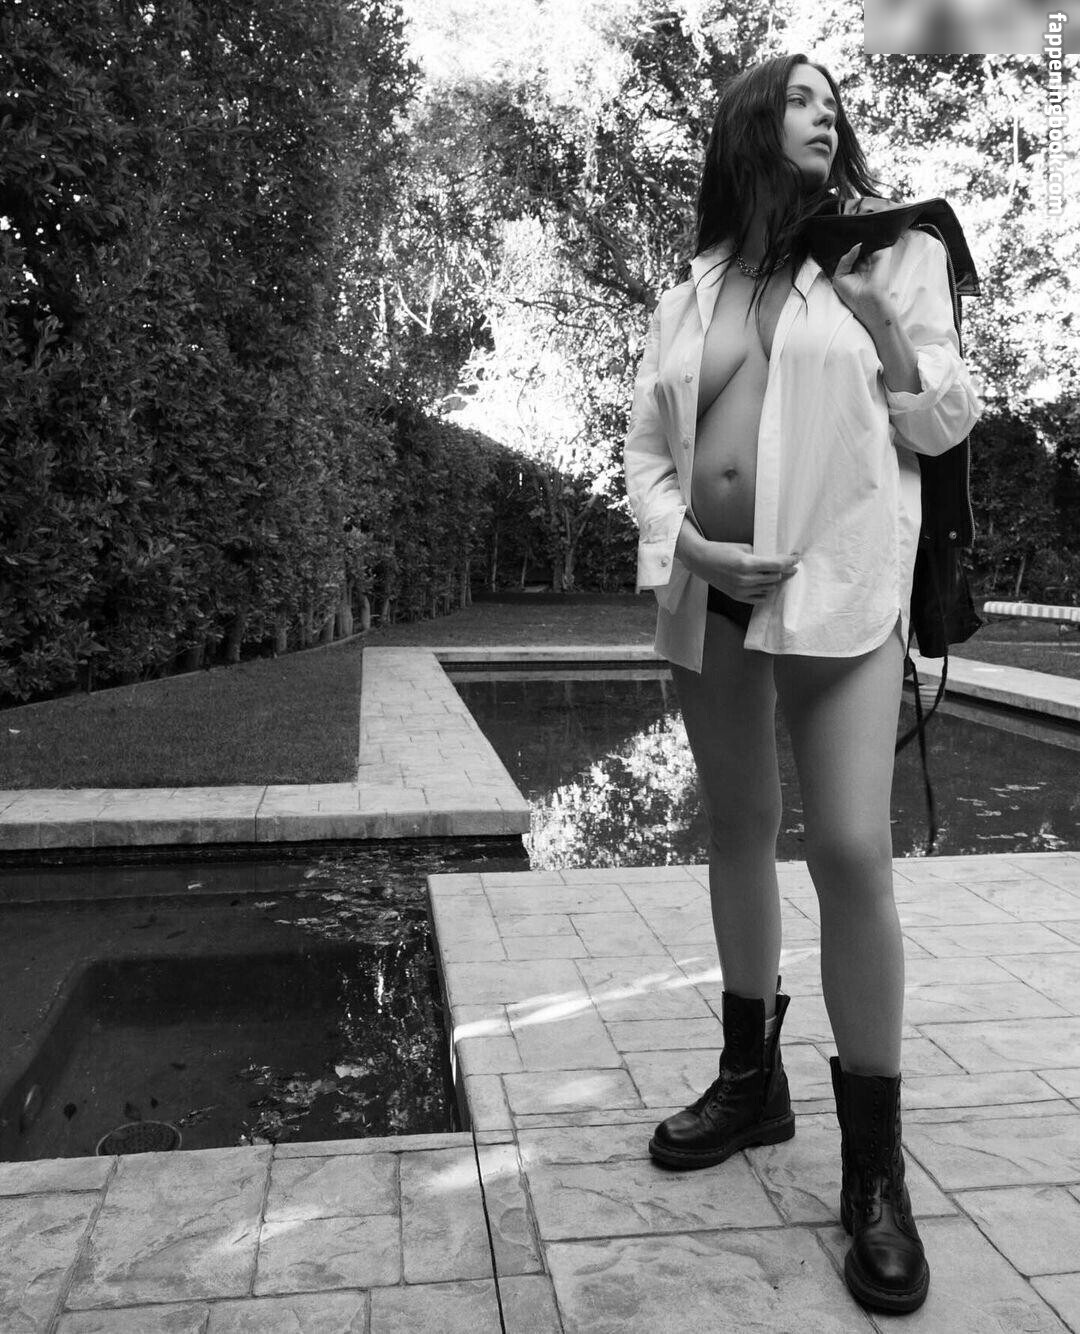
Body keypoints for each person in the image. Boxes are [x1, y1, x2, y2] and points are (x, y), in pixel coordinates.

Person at [623, 53, 982, 1316]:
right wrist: (688, 545)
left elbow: (942, 423)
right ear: (748, 124)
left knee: (849, 848)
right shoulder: (693, 288)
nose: (826, 114)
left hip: (839, 585)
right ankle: (751, 1081)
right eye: (800, 97)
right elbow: (648, 450)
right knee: (737, 827)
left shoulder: (898, 251)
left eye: (836, 103)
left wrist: (881, 324)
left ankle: (875, 1171)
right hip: (711, 587)